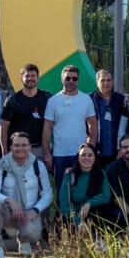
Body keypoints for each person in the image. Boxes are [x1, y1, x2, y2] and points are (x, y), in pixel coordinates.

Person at [0, 132, 53, 258]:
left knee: (32, 234)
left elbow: (48, 193)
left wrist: (35, 210)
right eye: (16, 145)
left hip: (29, 213)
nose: (20, 148)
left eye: (24, 145)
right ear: (10, 147)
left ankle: (23, 240)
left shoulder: (38, 166)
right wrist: (10, 201)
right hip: (7, 211)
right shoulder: (2, 165)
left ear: (30, 147)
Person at [43, 64, 98, 196]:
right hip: (59, 154)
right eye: (68, 78)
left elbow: (93, 124)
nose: (71, 81)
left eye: (74, 79)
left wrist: (91, 147)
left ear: (78, 80)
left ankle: (80, 216)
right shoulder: (53, 101)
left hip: (79, 154)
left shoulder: (86, 100)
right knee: (62, 190)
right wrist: (47, 153)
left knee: (80, 190)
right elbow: (47, 129)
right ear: (62, 79)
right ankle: (63, 216)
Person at [0, 64, 51, 158]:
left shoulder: (46, 98)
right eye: (27, 76)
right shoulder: (12, 100)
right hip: (18, 150)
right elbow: (3, 128)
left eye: (33, 75)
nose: (30, 78)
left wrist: (47, 152)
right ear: (21, 78)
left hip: (39, 149)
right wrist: (4, 152)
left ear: (38, 77)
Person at [58, 143, 113, 228]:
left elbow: (106, 195)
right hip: (74, 215)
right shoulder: (70, 175)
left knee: (107, 211)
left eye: (90, 155)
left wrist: (89, 203)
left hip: (93, 213)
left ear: (95, 158)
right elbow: (64, 205)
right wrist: (78, 222)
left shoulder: (101, 173)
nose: (86, 158)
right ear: (78, 157)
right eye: (83, 155)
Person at [91, 68, 125, 169]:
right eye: (102, 80)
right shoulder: (89, 100)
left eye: (109, 80)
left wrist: (122, 148)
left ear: (113, 81)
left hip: (116, 151)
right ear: (97, 82)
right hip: (96, 151)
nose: (106, 83)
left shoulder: (121, 99)